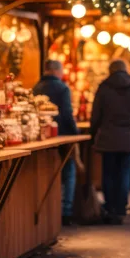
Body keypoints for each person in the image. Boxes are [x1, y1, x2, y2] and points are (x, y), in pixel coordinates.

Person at [90, 59, 130, 225]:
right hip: (127, 139)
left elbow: (96, 115)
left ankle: (110, 207)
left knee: (108, 174)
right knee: (124, 174)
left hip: (107, 137)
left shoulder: (103, 88)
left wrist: (94, 133)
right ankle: (121, 208)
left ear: (110, 70)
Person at [33, 60, 84, 226]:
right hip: (62, 135)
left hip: (40, 136)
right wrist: (75, 133)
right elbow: (68, 114)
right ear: (56, 71)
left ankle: (54, 210)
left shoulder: (36, 87)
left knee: (48, 172)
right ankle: (66, 210)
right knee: (69, 170)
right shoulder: (62, 88)